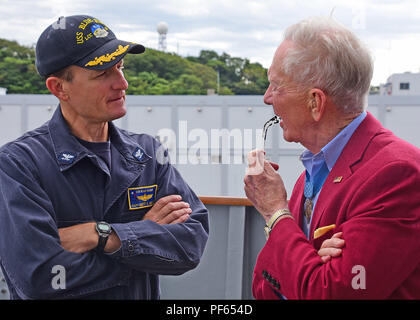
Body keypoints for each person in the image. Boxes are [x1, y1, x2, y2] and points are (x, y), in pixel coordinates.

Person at [0, 15, 209, 299]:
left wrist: (99, 235)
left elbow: (190, 245)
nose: (121, 84)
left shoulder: (148, 153)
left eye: (120, 68)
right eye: (102, 74)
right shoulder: (18, 164)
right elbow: (40, 277)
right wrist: (140, 243)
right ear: (59, 88)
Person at [244, 17, 420, 299]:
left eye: (276, 86)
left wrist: (275, 213)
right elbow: (263, 288)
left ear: (316, 102)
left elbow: (332, 293)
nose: (267, 98)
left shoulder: (397, 173)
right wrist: (311, 260)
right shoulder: (312, 172)